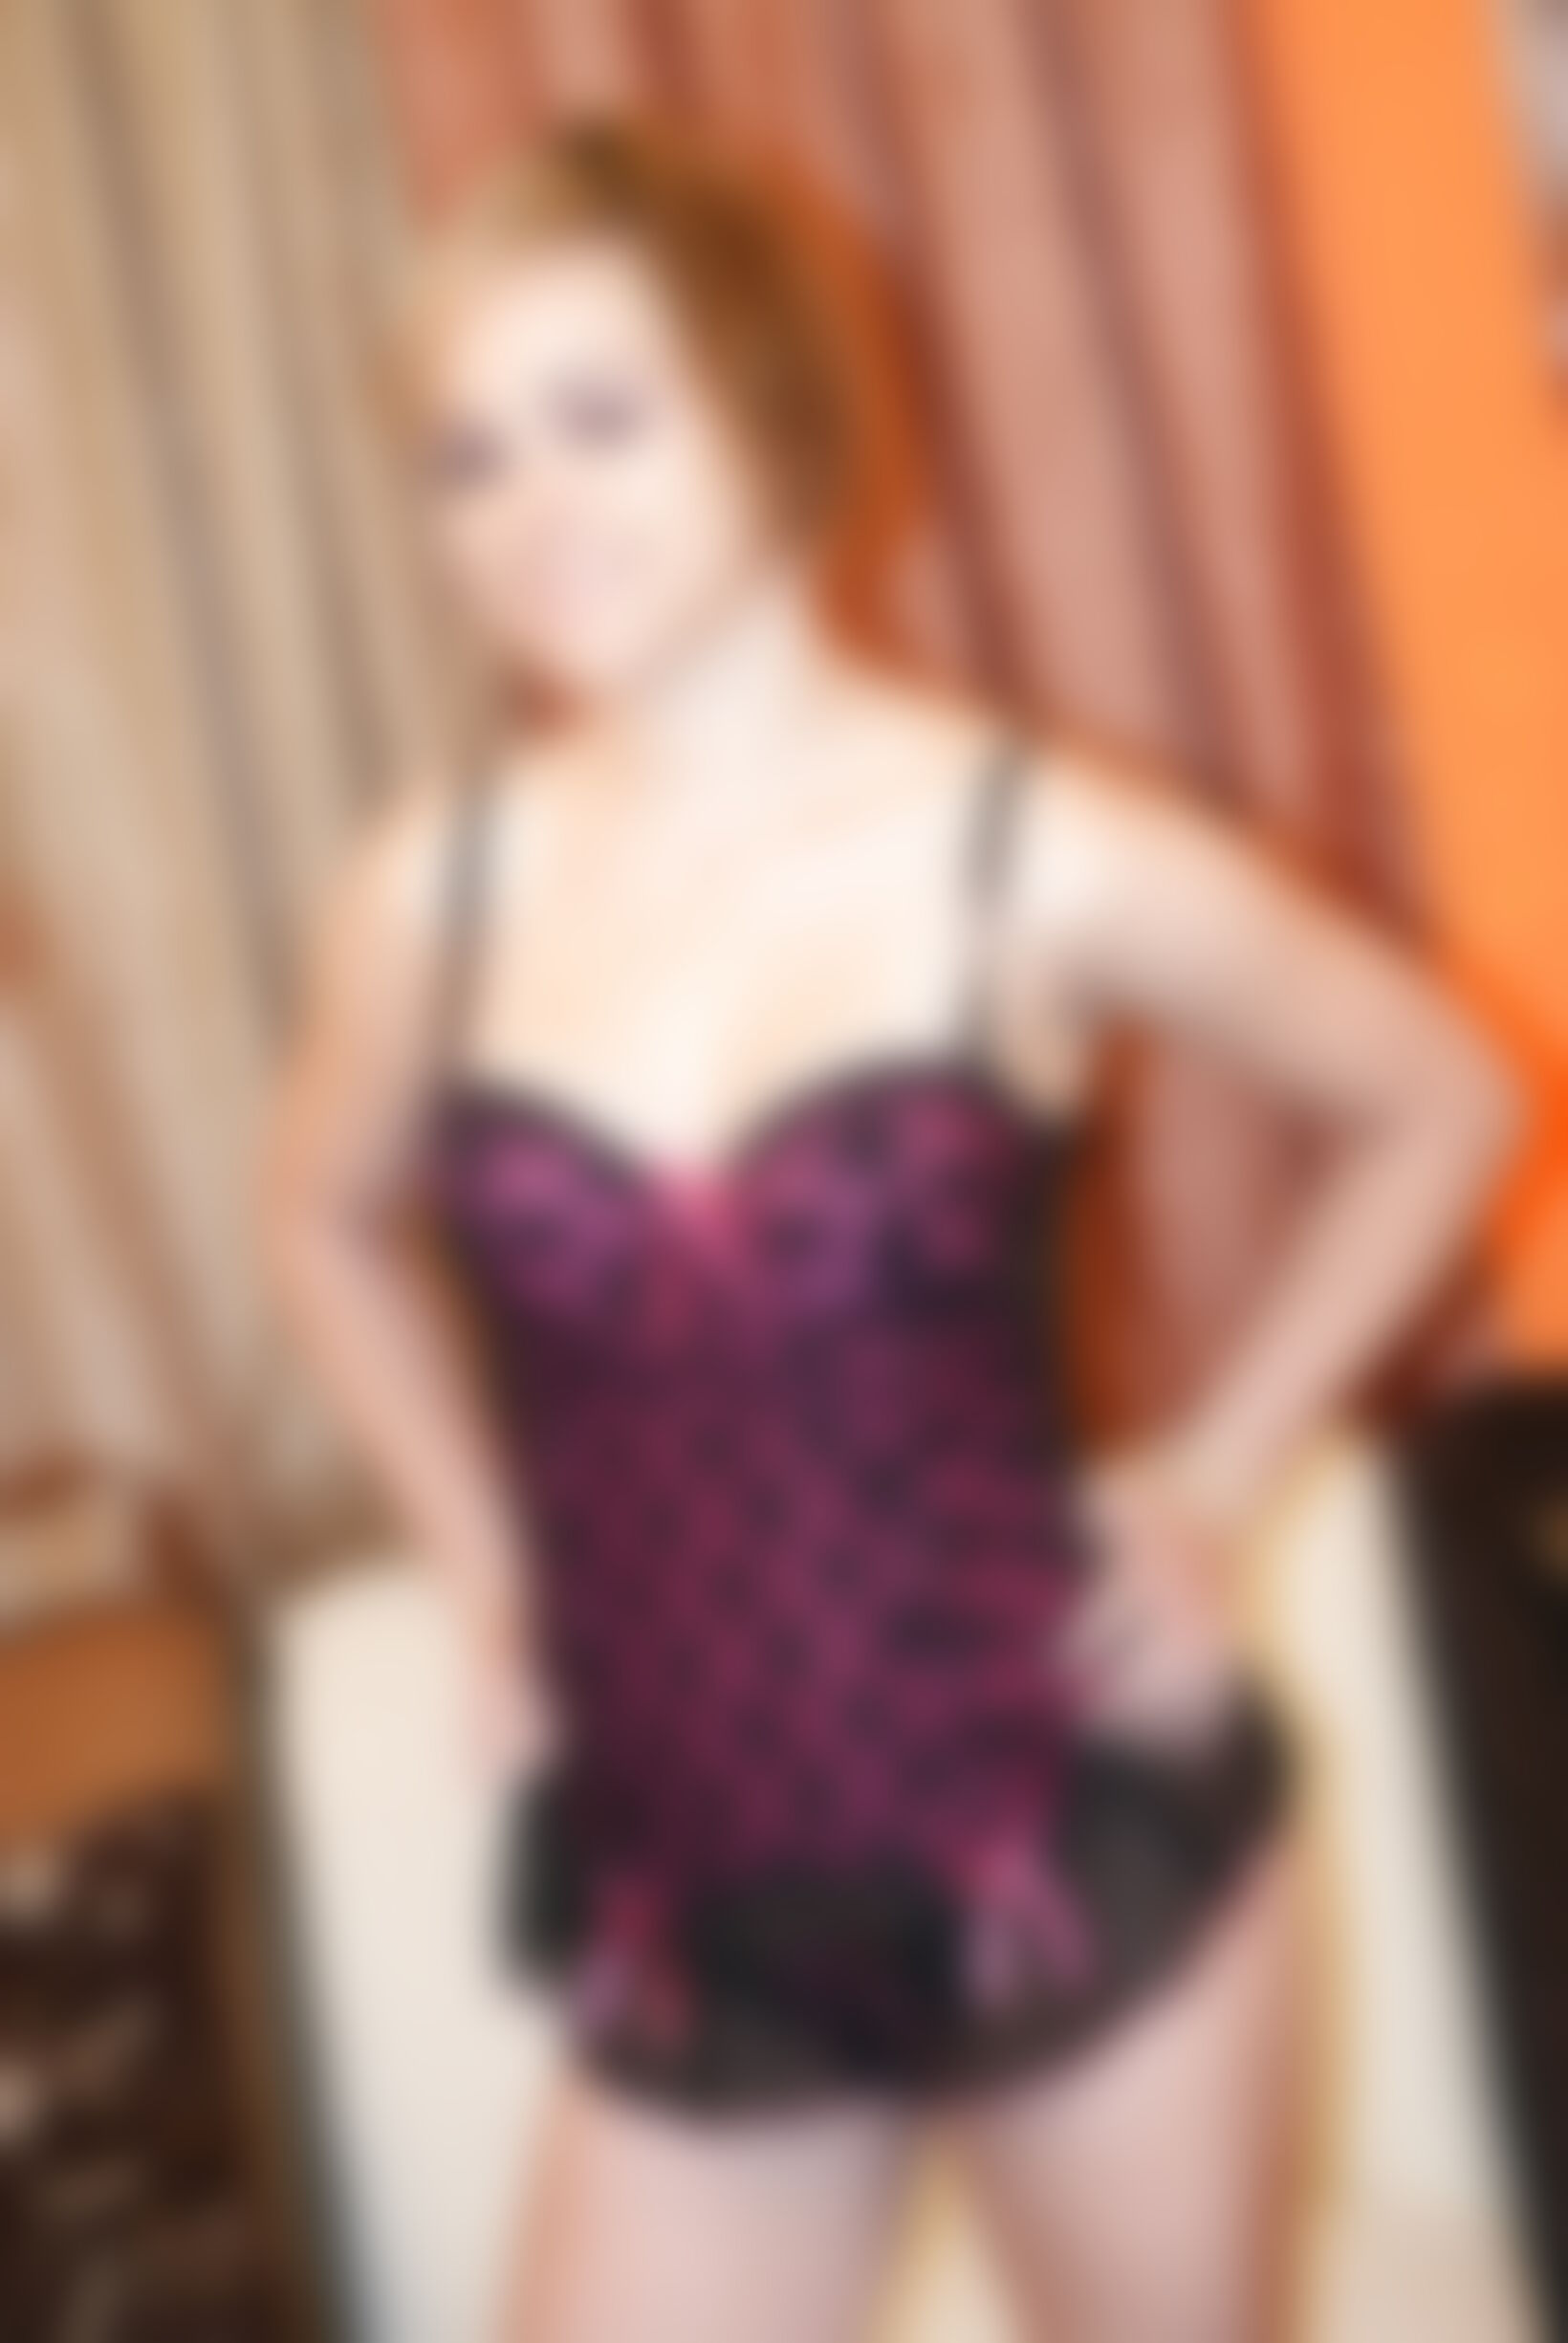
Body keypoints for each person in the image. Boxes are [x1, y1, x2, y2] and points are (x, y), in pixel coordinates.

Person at [260, 117, 1523, 2343]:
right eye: (468, 456)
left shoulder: (1031, 845)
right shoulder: (421, 895)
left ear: (768, 409)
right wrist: (482, 1562)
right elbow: (317, 1223)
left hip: (1063, 1828)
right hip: (691, 1889)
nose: (533, 505)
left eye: (601, 416)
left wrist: (1215, 1480)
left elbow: (1450, 1098)